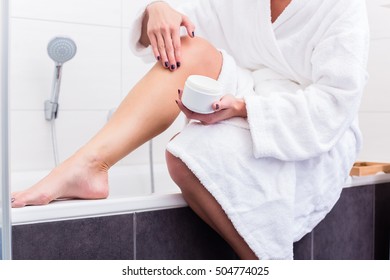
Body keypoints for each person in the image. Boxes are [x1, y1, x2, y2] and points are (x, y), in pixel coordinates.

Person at [11, 0, 369, 260]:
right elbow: (183, 29)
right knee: (190, 48)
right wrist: (156, 10)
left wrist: (247, 109)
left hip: (307, 123)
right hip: (249, 93)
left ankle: (265, 263)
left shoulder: (341, 7)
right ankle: (90, 165)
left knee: (188, 154)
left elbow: (335, 103)